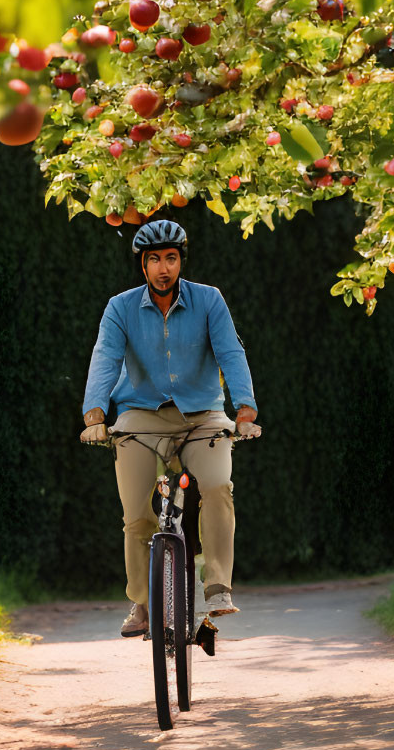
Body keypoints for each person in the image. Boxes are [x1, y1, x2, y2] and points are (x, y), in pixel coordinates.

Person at [79, 220, 261, 638]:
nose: (164, 268)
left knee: (217, 486)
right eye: (155, 260)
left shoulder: (209, 300)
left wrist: (245, 410)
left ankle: (216, 586)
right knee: (135, 512)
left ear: (181, 261)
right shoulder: (120, 307)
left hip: (202, 416)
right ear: (143, 266)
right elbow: (105, 357)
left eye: (171, 259)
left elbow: (231, 352)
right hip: (140, 416)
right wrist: (95, 416)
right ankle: (142, 603)